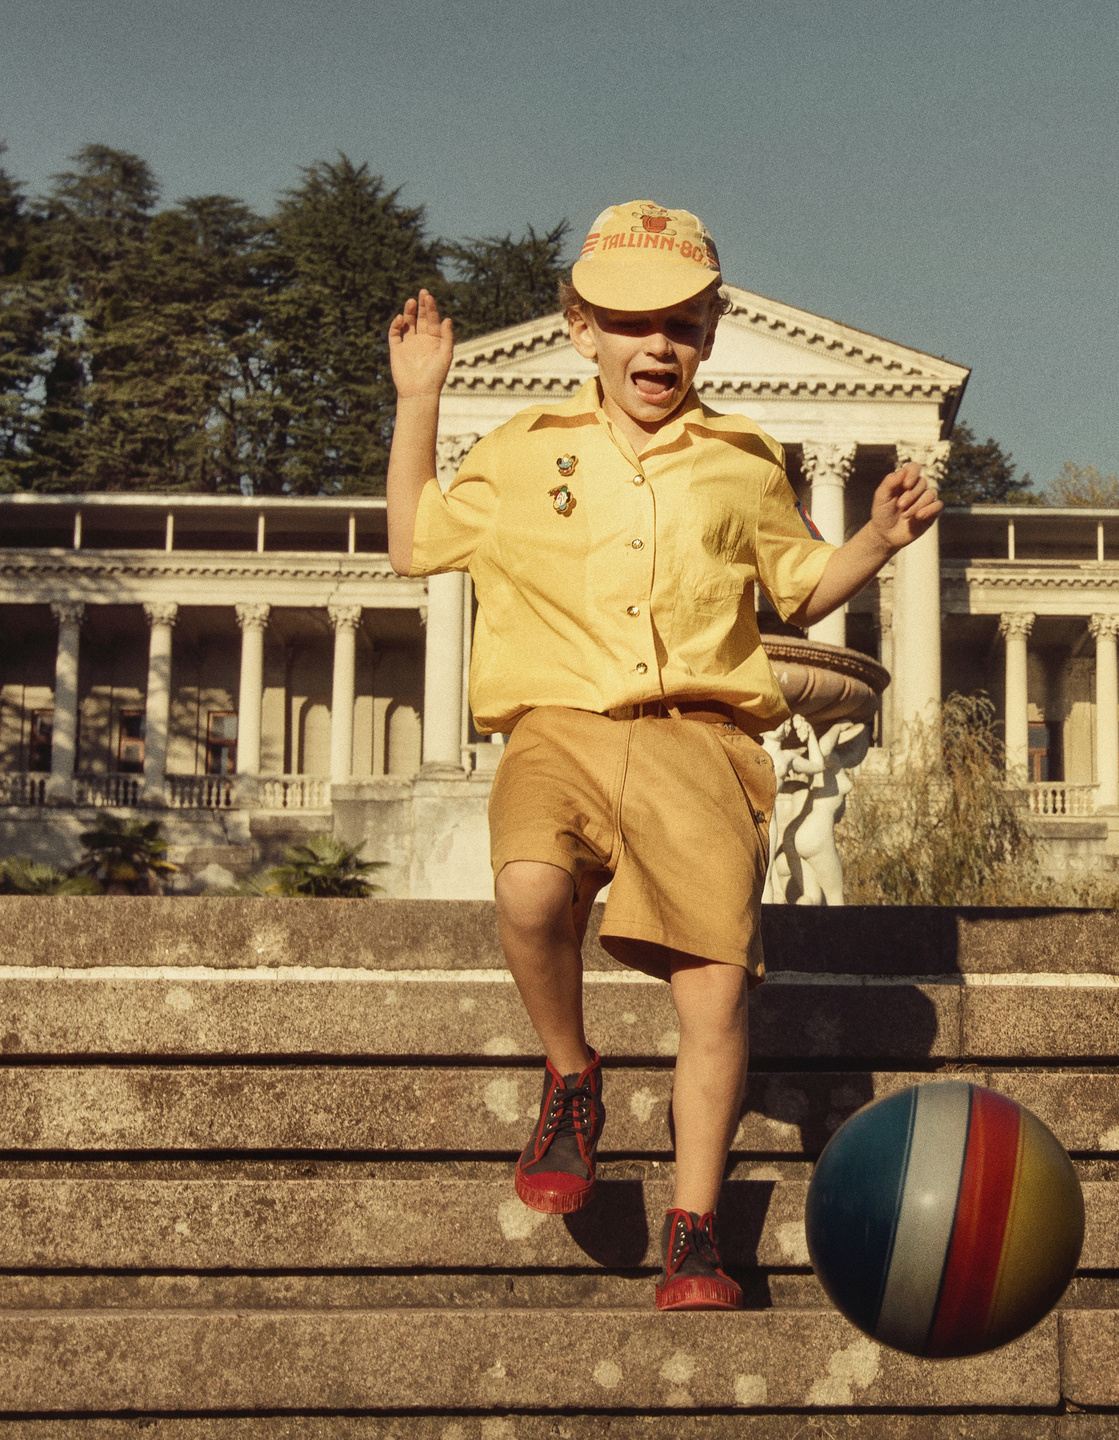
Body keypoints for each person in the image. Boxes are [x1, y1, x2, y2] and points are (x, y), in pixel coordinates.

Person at [384, 200, 941, 1310]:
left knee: (715, 994)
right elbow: (412, 543)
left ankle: (694, 1231)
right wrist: (418, 402)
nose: (657, 346)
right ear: (578, 329)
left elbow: (798, 587)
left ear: (711, 332)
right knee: (532, 891)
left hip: (700, 738)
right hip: (557, 724)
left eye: (681, 325)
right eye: (630, 322)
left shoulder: (744, 463)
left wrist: (875, 543)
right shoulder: (519, 448)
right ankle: (571, 1071)